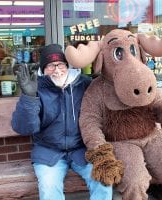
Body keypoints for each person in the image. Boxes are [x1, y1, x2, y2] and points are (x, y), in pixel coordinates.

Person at [11, 44, 113, 200]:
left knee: (103, 179)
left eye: (60, 64)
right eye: (50, 66)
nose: (57, 70)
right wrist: (29, 97)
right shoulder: (36, 87)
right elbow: (24, 128)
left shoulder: (84, 84)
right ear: (43, 69)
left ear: (67, 65)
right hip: (49, 151)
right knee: (49, 188)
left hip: (81, 150)